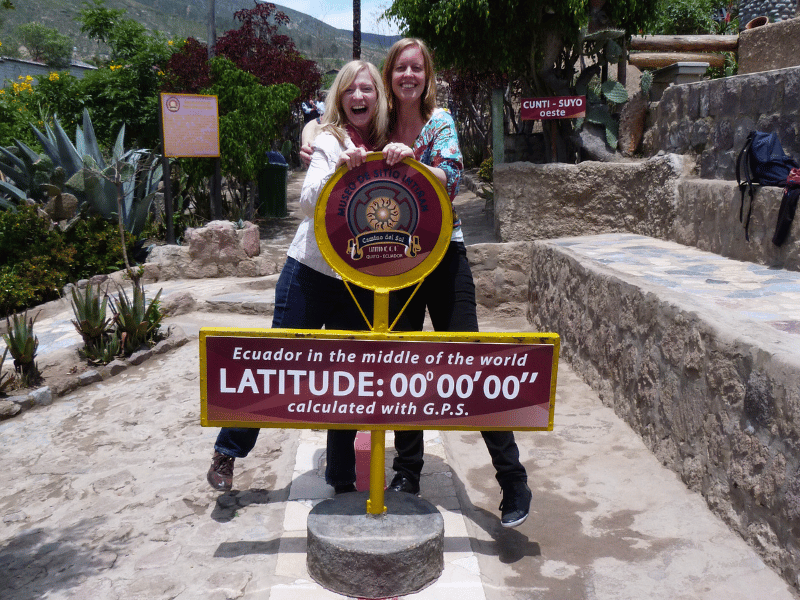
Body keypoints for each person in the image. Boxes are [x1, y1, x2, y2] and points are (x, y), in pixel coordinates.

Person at [299, 38, 532, 528]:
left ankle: (512, 479)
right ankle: (408, 472)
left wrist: (414, 162)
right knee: (400, 365)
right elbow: (335, 127)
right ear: (390, 75)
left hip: (445, 256)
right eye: (400, 68)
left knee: (469, 363)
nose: (408, 75)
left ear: (427, 75)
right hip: (395, 263)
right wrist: (311, 141)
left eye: (416, 68)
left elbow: (450, 178)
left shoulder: (440, 122)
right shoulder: (379, 127)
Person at [207, 61, 392, 494]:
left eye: (367, 89)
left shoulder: (387, 141)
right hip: (309, 270)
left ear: (377, 96)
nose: (359, 97)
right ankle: (227, 452)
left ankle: (341, 475)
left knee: (347, 377)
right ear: (340, 98)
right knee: (277, 365)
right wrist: (338, 171)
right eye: (350, 90)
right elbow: (309, 202)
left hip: (357, 279)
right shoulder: (330, 138)